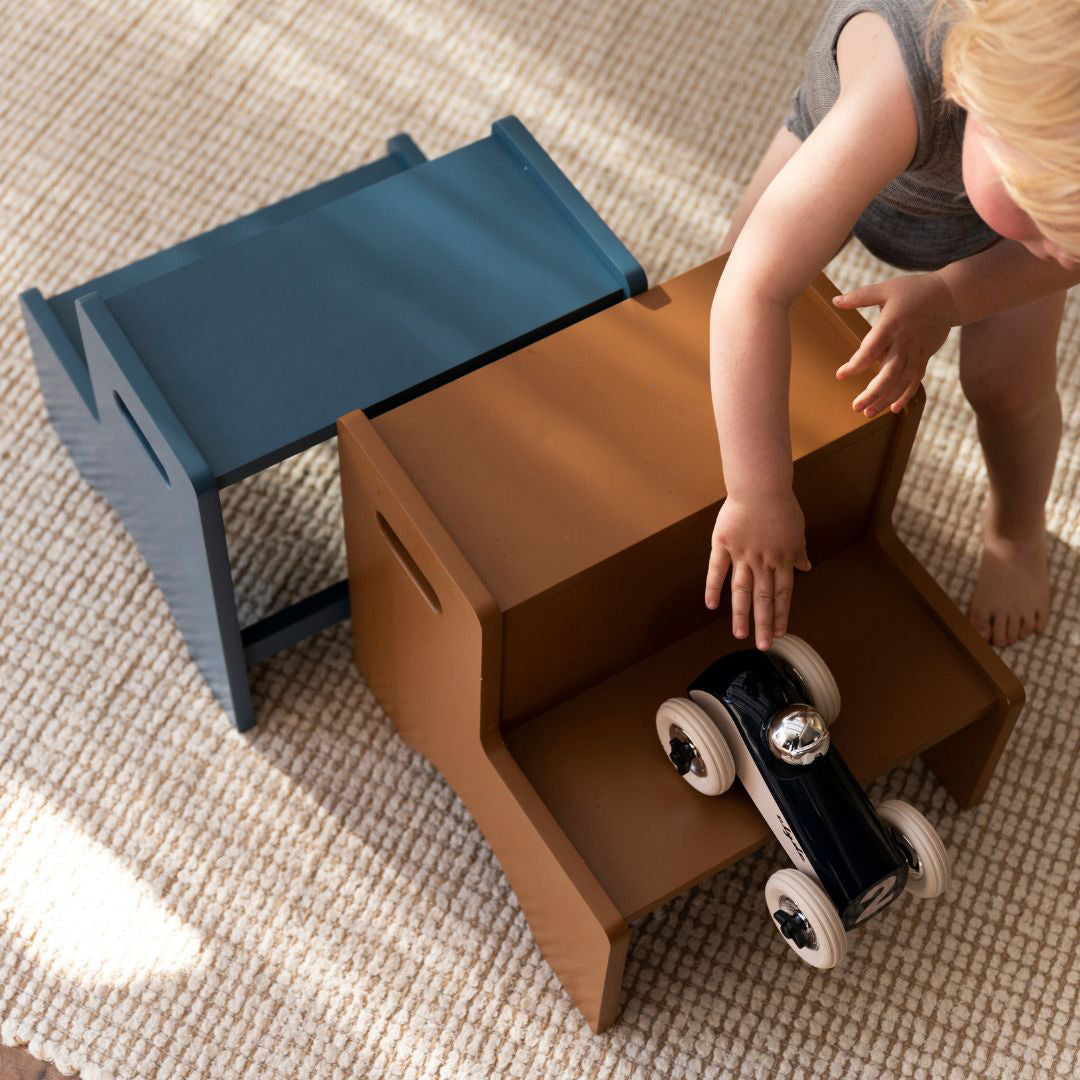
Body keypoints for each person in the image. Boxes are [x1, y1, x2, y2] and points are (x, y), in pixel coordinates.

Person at [705, 0, 1080, 651]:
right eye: (1045, 216)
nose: (1062, 253)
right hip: (859, 136)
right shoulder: (893, 92)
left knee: (1010, 385)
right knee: (726, 276)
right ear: (972, 94)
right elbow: (750, 289)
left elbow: (1057, 251)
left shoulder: (1049, 211)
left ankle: (1016, 530)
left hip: (980, 225)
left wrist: (947, 298)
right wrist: (757, 491)